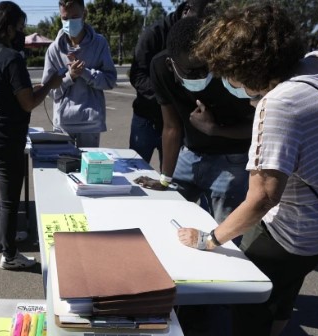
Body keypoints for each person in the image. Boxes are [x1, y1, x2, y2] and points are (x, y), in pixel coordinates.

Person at [177, 2, 318, 336]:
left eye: (230, 74)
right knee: (283, 292)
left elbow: (263, 197)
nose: (230, 82)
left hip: (291, 230)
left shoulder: (280, 104)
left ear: (250, 68)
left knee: (252, 305)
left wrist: (209, 239)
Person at [0, 1, 64, 269]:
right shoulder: (11, 58)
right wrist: (50, 84)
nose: (22, 33)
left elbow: (5, 94)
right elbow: (27, 103)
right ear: (9, 28)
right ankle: (9, 255)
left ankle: (9, 238)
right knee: (9, 200)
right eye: (21, 27)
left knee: (7, 197)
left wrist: (30, 88)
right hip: (5, 140)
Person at [144, 16, 255, 225]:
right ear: (171, 65)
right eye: (192, 71)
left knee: (223, 231)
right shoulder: (160, 68)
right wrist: (165, 179)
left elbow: (257, 128)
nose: (202, 75)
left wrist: (214, 129)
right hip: (191, 153)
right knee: (168, 218)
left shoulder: (230, 71)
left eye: (205, 68)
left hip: (232, 160)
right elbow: (171, 126)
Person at [128, 0, 212, 166]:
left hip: (179, 122)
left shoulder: (203, 36)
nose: (199, 31)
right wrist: (166, 98)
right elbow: (137, 75)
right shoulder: (153, 34)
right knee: (135, 170)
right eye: (198, 23)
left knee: (170, 175)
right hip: (147, 119)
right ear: (187, 10)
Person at [41, 0, 116, 148]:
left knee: (89, 163)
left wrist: (85, 73)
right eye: (65, 18)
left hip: (90, 124)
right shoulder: (54, 50)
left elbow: (110, 80)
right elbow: (49, 91)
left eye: (74, 17)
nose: (69, 22)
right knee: (63, 163)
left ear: (84, 14)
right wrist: (70, 77)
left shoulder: (99, 43)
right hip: (63, 125)